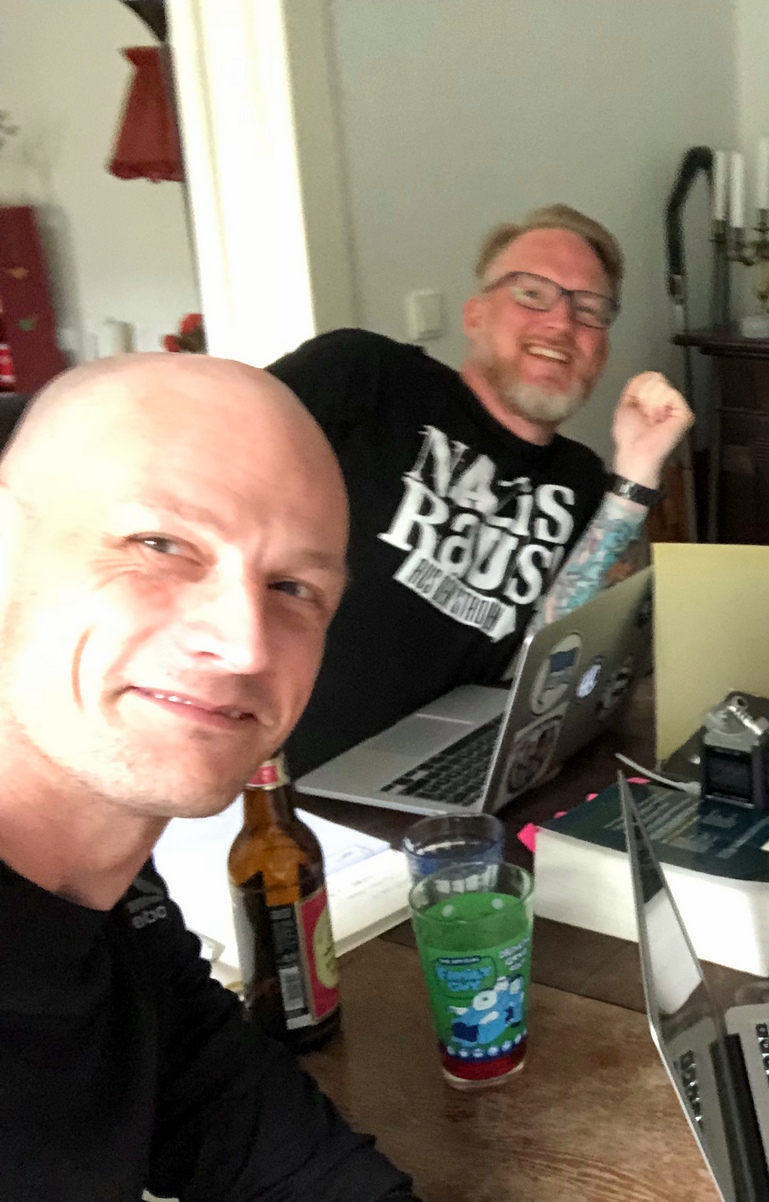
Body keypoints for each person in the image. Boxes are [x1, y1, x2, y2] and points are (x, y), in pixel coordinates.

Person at [0, 355, 417, 1199]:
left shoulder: (117, 904)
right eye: (159, 544)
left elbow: (256, 1134)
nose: (245, 644)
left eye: (293, 587)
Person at [268, 203, 692, 773]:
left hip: (445, 779)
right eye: (531, 293)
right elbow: (205, 454)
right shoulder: (366, 376)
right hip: (281, 775)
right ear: (475, 315)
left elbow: (552, 659)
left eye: (589, 310)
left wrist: (637, 471)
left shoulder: (581, 482)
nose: (562, 322)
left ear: (602, 353)